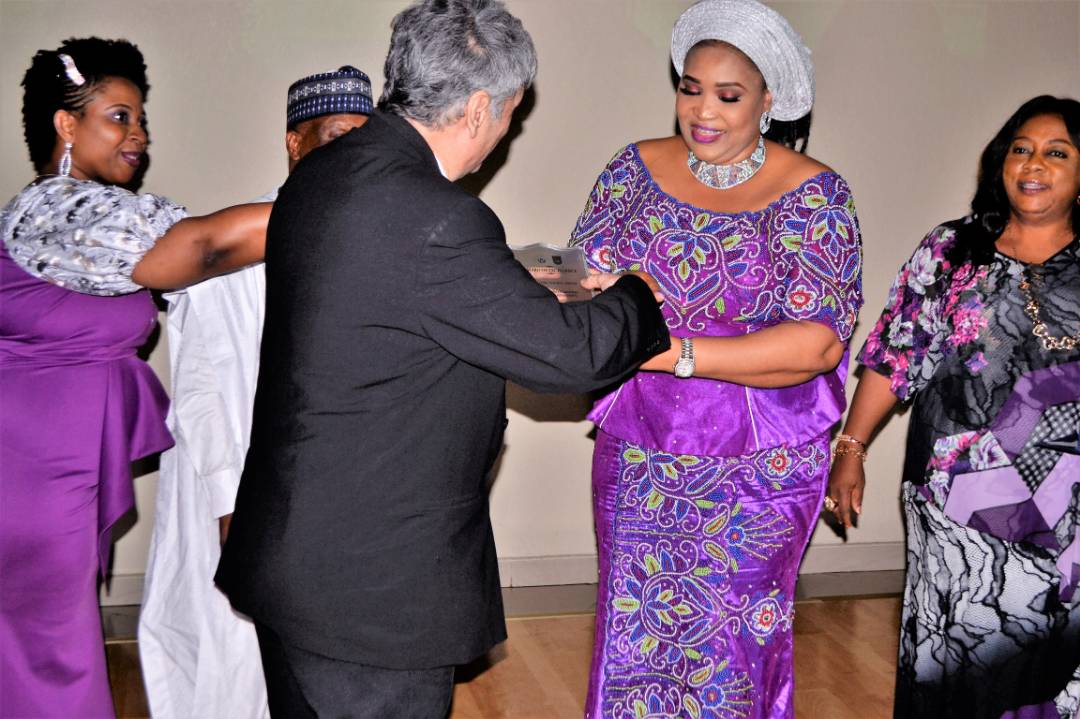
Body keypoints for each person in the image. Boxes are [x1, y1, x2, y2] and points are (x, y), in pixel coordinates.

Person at [213, 0, 670, 716]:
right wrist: (637, 294)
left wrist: (511, 280)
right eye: (513, 112)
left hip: (295, 557)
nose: (508, 130)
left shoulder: (326, 171)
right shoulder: (439, 219)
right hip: (371, 595)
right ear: (480, 107)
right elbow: (572, 357)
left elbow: (394, 295)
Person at [570, 1, 864, 716]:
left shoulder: (816, 195)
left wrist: (674, 353)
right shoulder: (632, 170)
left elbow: (818, 342)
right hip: (641, 451)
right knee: (636, 631)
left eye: (729, 96)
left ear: (769, 101)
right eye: (690, 88)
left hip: (763, 464)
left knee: (732, 643)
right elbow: (584, 280)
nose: (703, 111)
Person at [0, 37, 269, 717]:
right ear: (66, 124)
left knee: (38, 638)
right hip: (28, 469)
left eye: (141, 119)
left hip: (61, 464)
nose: (139, 135)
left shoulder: (86, 211)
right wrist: (344, 202)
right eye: (119, 117)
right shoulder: (59, 211)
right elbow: (205, 245)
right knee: (51, 646)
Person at [827, 95, 1080, 718]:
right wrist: (851, 448)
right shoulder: (952, 250)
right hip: (956, 499)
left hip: (1069, 508)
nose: (1034, 164)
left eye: (1057, 153)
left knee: (1056, 662)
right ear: (1000, 162)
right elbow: (895, 356)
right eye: (1021, 149)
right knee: (956, 652)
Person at [137, 65, 372, 719]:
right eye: (335, 138)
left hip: (329, 494)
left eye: (363, 141)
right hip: (234, 485)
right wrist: (227, 497)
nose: (350, 158)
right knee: (227, 658)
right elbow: (202, 386)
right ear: (294, 142)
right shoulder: (238, 242)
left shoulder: (369, 241)